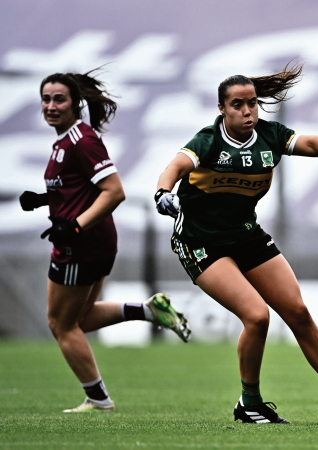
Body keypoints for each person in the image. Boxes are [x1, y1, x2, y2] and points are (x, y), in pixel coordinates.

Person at [154, 63, 318, 424]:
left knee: (298, 313)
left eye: (252, 103)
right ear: (222, 110)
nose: (247, 111)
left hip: (245, 234)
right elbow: (176, 165)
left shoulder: (269, 135)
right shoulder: (208, 140)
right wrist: (162, 192)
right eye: (238, 105)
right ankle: (249, 404)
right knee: (257, 317)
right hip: (201, 242)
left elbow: (305, 142)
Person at [19, 70, 191, 413]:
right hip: (95, 242)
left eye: (59, 99)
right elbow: (81, 189)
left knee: (60, 324)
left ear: (75, 103)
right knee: (80, 319)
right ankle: (148, 310)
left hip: (81, 244)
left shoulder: (81, 141)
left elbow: (114, 191)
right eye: (47, 99)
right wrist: (45, 198)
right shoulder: (66, 140)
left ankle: (98, 400)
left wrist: (75, 227)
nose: (51, 105)